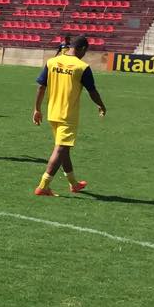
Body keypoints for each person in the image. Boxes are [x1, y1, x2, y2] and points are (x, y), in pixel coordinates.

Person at [32, 34, 106, 196]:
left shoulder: (52, 62)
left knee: (64, 149)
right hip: (68, 115)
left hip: (53, 113)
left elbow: (41, 87)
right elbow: (92, 91)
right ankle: (43, 186)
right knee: (60, 149)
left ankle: (74, 183)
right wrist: (101, 105)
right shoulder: (82, 67)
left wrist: (37, 109)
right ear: (83, 49)